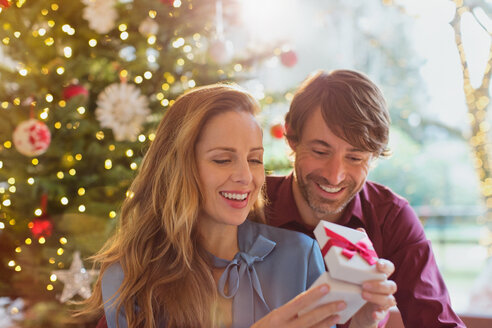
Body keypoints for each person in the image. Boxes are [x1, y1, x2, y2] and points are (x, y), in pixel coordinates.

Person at [80, 84, 349, 328]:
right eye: (222, 160)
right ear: (179, 167)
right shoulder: (131, 277)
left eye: (254, 159)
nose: (246, 176)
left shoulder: (300, 256)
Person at [265, 69, 466, 327]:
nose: (335, 176)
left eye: (355, 158)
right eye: (320, 151)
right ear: (292, 137)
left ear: (373, 157)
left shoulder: (391, 218)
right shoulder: (249, 203)